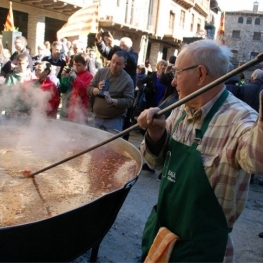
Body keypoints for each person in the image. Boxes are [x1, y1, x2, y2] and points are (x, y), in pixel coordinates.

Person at [137, 39, 263, 263]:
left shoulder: (240, 119)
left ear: (201, 74)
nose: (173, 81)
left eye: (177, 73)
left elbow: (257, 160)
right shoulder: (179, 110)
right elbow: (154, 163)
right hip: (162, 235)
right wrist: (156, 135)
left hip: (203, 250)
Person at [95, 31, 138, 140]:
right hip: (110, 90)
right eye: (121, 45)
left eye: (124, 46)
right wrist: (100, 42)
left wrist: (115, 45)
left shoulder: (133, 55)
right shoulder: (105, 69)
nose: (114, 65)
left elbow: (129, 58)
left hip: (125, 92)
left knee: (123, 124)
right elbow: (107, 52)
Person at [87, 50, 134, 134]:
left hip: (114, 121)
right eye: (113, 61)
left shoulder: (127, 80)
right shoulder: (101, 72)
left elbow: (129, 101)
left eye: (118, 63)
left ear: (124, 65)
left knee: (111, 146)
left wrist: (113, 101)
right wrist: (97, 90)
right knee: (92, 144)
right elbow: (88, 89)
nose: (114, 65)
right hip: (96, 117)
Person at [60, 54, 93, 124]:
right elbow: (63, 89)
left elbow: (85, 90)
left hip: (81, 109)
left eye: (79, 65)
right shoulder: (73, 74)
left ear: (85, 65)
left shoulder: (89, 76)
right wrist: (64, 78)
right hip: (70, 109)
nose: (76, 67)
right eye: (75, 65)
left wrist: (76, 79)